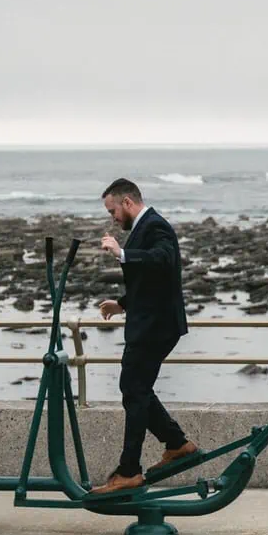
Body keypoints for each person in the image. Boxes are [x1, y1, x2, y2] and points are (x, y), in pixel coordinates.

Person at [92, 178, 198, 493]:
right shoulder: (143, 228)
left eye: (113, 210)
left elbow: (163, 260)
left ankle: (129, 471)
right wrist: (122, 304)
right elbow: (150, 281)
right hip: (149, 322)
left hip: (156, 326)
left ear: (127, 202)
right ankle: (177, 444)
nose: (112, 218)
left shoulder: (156, 226)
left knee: (134, 391)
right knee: (135, 389)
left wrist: (122, 253)